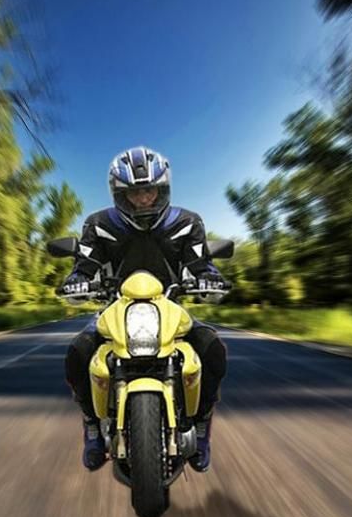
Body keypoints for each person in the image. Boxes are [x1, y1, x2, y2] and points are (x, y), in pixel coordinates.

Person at [61, 147, 228, 473]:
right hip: (114, 308)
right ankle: (92, 426)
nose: (143, 200)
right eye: (135, 193)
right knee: (78, 353)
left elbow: (201, 264)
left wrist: (211, 278)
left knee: (213, 349)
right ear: (119, 194)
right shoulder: (98, 224)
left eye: (150, 191)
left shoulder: (187, 222)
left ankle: (202, 427)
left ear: (163, 189)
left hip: (171, 308)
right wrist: (76, 281)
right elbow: (83, 266)